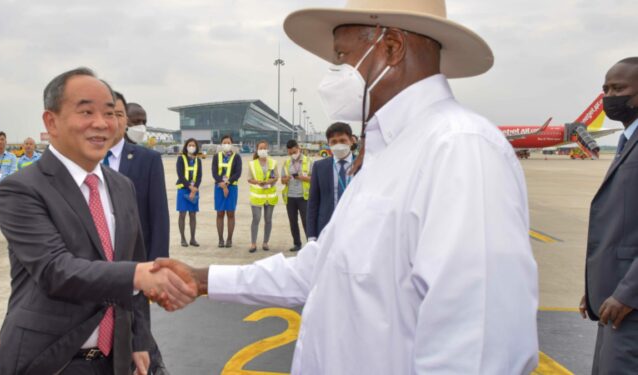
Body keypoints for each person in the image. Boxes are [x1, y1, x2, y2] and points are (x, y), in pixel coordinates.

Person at [151, 0, 540, 373]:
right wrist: (203, 279)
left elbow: (478, 349)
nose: (334, 73)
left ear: (391, 47)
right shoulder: (387, 152)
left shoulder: (459, 149)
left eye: (341, 57)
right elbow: (321, 267)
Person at [0, 68, 195, 375]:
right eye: (86, 111)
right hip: (50, 359)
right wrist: (138, 275)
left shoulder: (122, 186)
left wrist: (140, 338)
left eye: (110, 113)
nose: (101, 124)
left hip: (115, 359)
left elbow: (135, 260)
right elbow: (55, 270)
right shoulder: (22, 188)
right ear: (51, 121)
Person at [580, 57, 638, 374]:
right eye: (605, 88)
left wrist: (628, 293)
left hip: (629, 301)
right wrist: (594, 287)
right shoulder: (627, 141)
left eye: (619, 88)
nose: (609, 97)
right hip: (613, 298)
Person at [104, 98, 170, 261]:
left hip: (135, 261)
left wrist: (157, 265)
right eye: (137, 121)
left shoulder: (149, 160)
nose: (141, 126)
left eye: (144, 122)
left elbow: (159, 217)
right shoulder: (84, 157)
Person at [306, 122, 354, 241]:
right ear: (328, 144)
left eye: (343, 140)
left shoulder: (364, 165)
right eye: (334, 142)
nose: (338, 145)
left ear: (351, 141)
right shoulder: (319, 166)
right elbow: (313, 202)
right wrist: (311, 235)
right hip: (327, 228)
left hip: (356, 227)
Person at [247, 140, 278, 253]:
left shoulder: (273, 162)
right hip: (257, 196)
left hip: (270, 196)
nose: (263, 150)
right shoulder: (252, 163)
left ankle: (265, 242)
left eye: (265, 148)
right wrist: (257, 182)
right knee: (256, 219)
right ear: (257, 150)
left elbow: (276, 177)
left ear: (267, 149)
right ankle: (253, 243)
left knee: (268, 220)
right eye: (260, 148)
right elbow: (249, 178)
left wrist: (271, 180)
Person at [211, 135, 242, 248]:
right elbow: (214, 172)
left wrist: (227, 184)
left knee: (230, 213)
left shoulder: (237, 157)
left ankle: (229, 239)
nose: (226, 144)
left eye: (228, 142)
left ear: (232, 144)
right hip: (219, 187)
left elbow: (238, 173)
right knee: (220, 213)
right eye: (224, 142)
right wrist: (222, 185)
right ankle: (220, 239)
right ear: (221, 144)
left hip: (231, 188)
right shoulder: (216, 156)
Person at [281, 140, 311, 252]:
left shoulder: (309, 161)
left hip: (304, 197)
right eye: (290, 153)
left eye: (294, 151)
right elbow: (282, 180)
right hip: (290, 197)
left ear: (298, 148)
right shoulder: (287, 163)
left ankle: (311, 244)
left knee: (306, 222)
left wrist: (301, 178)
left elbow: (314, 179)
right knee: (293, 222)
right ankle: (297, 244)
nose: (292, 154)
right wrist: (286, 179)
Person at [176, 138, 202, 247]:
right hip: (183, 188)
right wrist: (190, 187)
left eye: (193, 145)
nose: (191, 147)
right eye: (189, 145)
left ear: (196, 148)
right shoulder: (181, 159)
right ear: (186, 146)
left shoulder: (198, 160)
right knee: (182, 214)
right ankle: (183, 238)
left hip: (194, 189)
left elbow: (199, 176)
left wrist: (194, 188)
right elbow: (180, 175)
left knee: (192, 214)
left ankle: (192, 239)